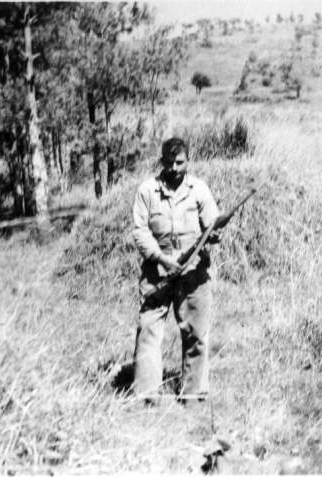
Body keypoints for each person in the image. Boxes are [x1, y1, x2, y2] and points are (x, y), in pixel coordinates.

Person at [131, 137, 220, 410]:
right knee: (148, 329)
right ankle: (147, 396)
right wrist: (162, 259)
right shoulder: (147, 190)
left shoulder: (199, 189)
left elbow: (212, 225)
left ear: (187, 161)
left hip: (193, 273)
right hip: (157, 272)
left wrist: (213, 236)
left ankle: (193, 395)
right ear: (161, 161)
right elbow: (140, 231)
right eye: (168, 162)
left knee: (196, 332)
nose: (173, 168)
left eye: (179, 162)